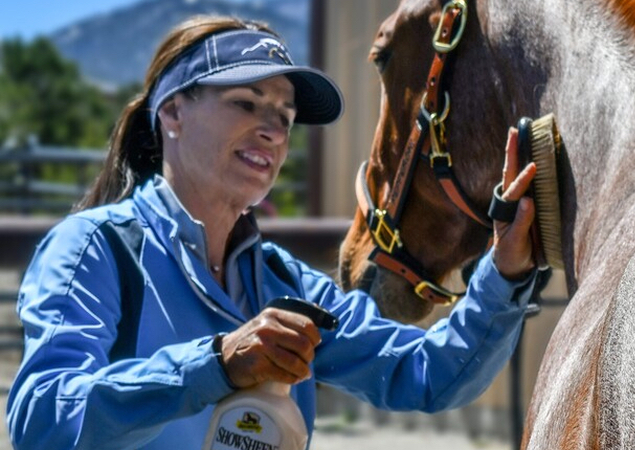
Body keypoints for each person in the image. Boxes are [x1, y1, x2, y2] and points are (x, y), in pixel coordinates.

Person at [6, 15, 539, 450]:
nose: (273, 129)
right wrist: (215, 365)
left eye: (284, 117)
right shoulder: (95, 249)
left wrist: (506, 270)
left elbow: (430, 374)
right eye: (245, 103)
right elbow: (42, 421)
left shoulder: (288, 285)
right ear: (171, 112)